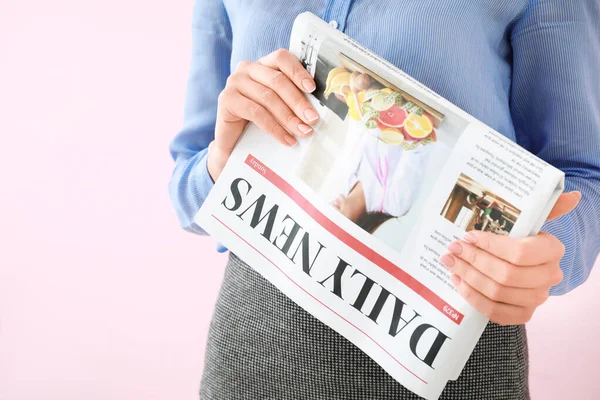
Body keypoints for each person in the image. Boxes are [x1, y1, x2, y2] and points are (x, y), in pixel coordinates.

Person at [168, 2, 600, 399]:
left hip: (449, 359)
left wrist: (541, 254)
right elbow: (187, 185)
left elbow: (585, 177)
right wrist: (225, 162)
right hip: (249, 359)